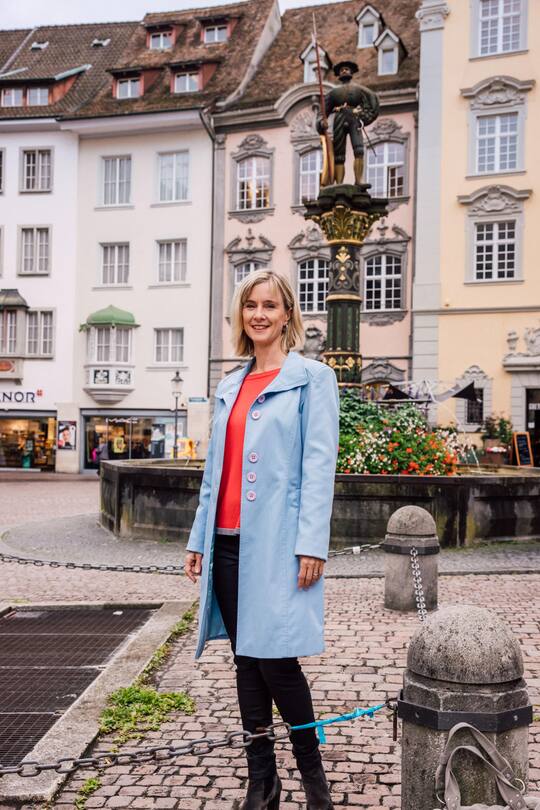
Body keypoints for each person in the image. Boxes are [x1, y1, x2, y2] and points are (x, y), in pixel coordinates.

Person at [184, 270, 339, 809]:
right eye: (250, 305)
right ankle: (262, 782)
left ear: (287, 314)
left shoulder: (313, 379)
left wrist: (312, 543)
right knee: (246, 660)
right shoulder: (230, 384)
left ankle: (315, 782)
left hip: (277, 544)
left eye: (269, 305)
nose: (259, 315)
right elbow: (213, 473)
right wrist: (198, 537)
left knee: (278, 661)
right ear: (240, 315)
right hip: (227, 542)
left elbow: (319, 466)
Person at [316, 61, 379, 185]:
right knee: (339, 154)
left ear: (351, 72)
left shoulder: (359, 90)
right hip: (339, 119)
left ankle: (359, 180)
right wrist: (321, 122)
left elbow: (373, 101)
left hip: (354, 119)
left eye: (346, 69)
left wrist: (364, 118)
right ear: (338, 74)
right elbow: (322, 113)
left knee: (359, 150)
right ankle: (339, 183)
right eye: (341, 70)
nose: (344, 71)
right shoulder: (333, 93)